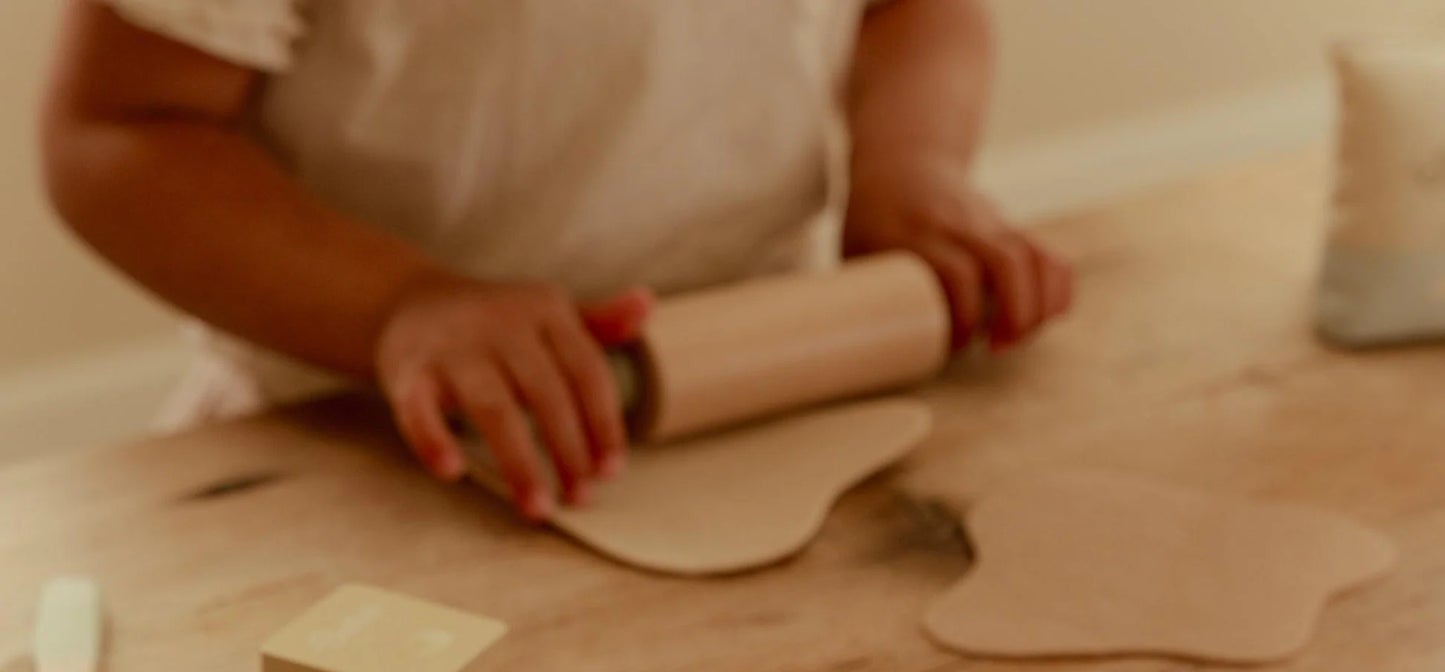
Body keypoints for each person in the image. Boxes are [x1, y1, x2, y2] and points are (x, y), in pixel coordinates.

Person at [42, 0, 1073, 519]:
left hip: (753, 386)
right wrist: (401, 304)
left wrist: (911, 162)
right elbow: (118, 133)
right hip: (349, 440)